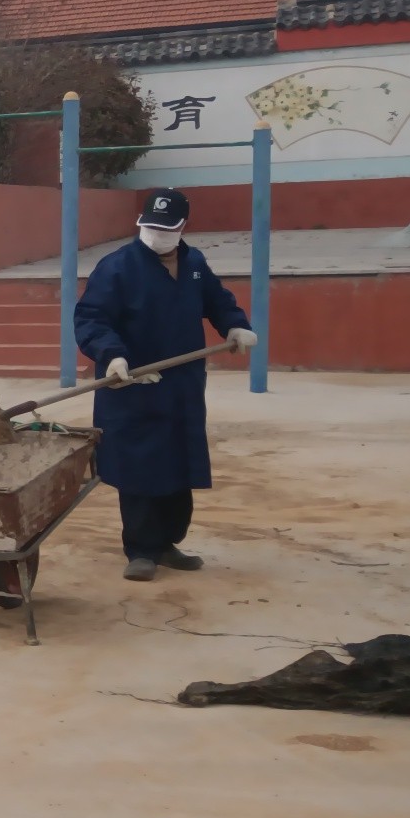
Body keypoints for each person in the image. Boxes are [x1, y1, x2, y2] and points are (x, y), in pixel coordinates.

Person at [73, 187, 255, 582]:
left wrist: (235, 325)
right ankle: (141, 550)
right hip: (132, 384)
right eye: (151, 226)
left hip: (181, 386)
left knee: (177, 463)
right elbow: (91, 319)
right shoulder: (117, 267)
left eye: (166, 228)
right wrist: (112, 355)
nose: (156, 234)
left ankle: (168, 543)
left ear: (182, 227)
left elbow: (218, 301)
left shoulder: (194, 263)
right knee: (140, 468)